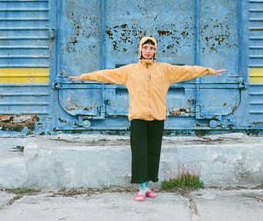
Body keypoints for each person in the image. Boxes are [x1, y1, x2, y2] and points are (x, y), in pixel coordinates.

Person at [69, 36, 226, 202]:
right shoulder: (129, 71)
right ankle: (141, 188)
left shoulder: (165, 70)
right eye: (145, 48)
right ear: (140, 50)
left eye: (151, 48)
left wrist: (209, 71)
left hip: (157, 117)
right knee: (139, 152)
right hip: (138, 117)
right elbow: (106, 75)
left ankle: (148, 185)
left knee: (153, 152)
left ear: (155, 51)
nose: (148, 51)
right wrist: (83, 76)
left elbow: (187, 71)